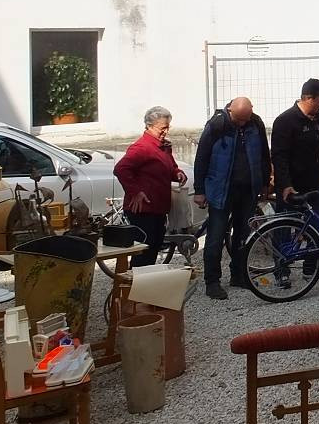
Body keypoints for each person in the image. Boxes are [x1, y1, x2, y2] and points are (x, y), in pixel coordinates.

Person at [193, 97, 271, 299]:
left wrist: (264, 182)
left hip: (248, 191)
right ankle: (212, 281)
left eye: (246, 119)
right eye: (239, 120)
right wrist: (199, 190)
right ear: (230, 110)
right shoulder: (217, 126)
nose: (242, 124)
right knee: (215, 237)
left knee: (243, 236)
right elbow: (201, 157)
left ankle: (238, 274)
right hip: (221, 191)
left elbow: (264, 154)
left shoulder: (256, 123)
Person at [113, 106, 188, 267]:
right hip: (143, 210)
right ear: (149, 126)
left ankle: (146, 285)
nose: (166, 131)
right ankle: (136, 287)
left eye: (168, 127)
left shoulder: (163, 146)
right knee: (144, 253)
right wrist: (135, 192)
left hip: (158, 207)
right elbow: (121, 169)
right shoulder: (142, 148)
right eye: (162, 128)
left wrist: (178, 173)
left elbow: (171, 167)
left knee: (153, 250)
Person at [271, 79, 319, 212]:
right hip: (292, 187)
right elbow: (279, 156)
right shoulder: (285, 121)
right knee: (286, 226)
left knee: (318, 227)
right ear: (308, 99)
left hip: (315, 184)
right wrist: (285, 185)